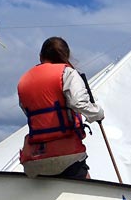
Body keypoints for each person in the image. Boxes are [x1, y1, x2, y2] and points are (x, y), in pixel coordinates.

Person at [17, 37, 104, 179]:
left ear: (40, 56)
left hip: (34, 159)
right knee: (86, 184)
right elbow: (78, 103)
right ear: (66, 56)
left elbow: (28, 112)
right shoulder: (67, 73)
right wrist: (97, 113)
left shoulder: (24, 80)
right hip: (67, 155)